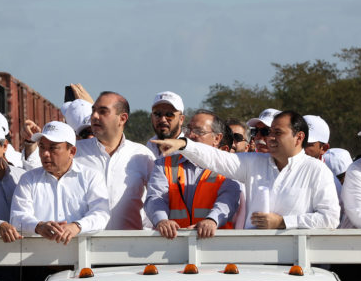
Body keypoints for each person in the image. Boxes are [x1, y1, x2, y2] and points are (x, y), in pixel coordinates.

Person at [152, 111, 340, 230]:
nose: (270, 138)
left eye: (277, 133)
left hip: (297, 263)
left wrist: (283, 222)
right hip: (255, 262)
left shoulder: (317, 170)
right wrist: (184, 145)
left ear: (299, 138)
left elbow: (330, 219)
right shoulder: (255, 162)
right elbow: (217, 159)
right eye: (269, 132)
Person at [145, 109, 242, 239]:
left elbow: (229, 200)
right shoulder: (163, 164)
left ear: (217, 138)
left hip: (216, 248)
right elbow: (155, 198)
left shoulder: (228, 166)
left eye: (198, 131)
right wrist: (161, 221)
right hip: (173, 246)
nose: (190, 135)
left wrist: (212, 220)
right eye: (188, 130)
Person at [10, 121, 110, 244]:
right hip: (38, 259)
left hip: (82, 256)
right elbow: (16, 217)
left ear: (72, 152)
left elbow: (101, 213)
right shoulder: (28, 179)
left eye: (53, 148)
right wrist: (38, 226)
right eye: (42, 147)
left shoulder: (91, 177)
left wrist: (77, 226)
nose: (45, 154)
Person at [75, 91, 155, 230]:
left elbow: (158, 198)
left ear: (122, 118)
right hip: (83, 245)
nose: (94, 116)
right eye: (93, 110)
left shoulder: (142, 155)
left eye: (103, 111)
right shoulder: (75, 152)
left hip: (129, 246)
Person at [146, 91, 186, 158]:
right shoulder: (149, 147)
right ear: (151, 117)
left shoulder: (190, 151)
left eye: (169, 115)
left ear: (181, 119)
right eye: (157, 114)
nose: (163, 120)